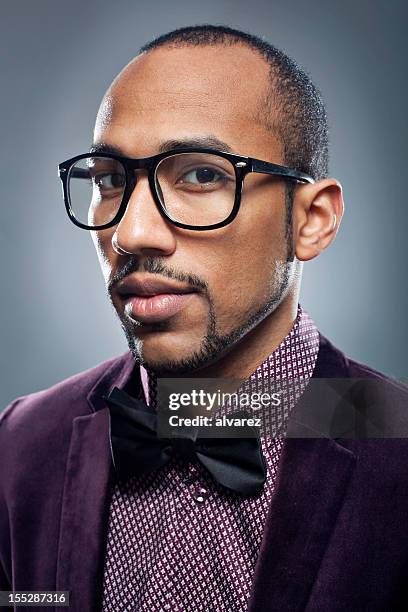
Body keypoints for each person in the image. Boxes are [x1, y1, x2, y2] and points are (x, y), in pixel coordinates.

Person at [1, 24, 407, 612]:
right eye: (112, 179)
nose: (132, 233)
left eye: (201, 175)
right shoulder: (20, 443)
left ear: (312, 219)